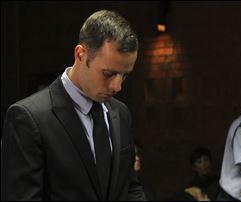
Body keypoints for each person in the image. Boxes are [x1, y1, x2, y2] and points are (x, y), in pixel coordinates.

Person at [1, 10, 146, 201]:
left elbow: (130, 188)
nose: (117, 86)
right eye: (109, 74)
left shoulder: (121, 113)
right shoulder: (28, 118)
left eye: (124, 75)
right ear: (80, 54)